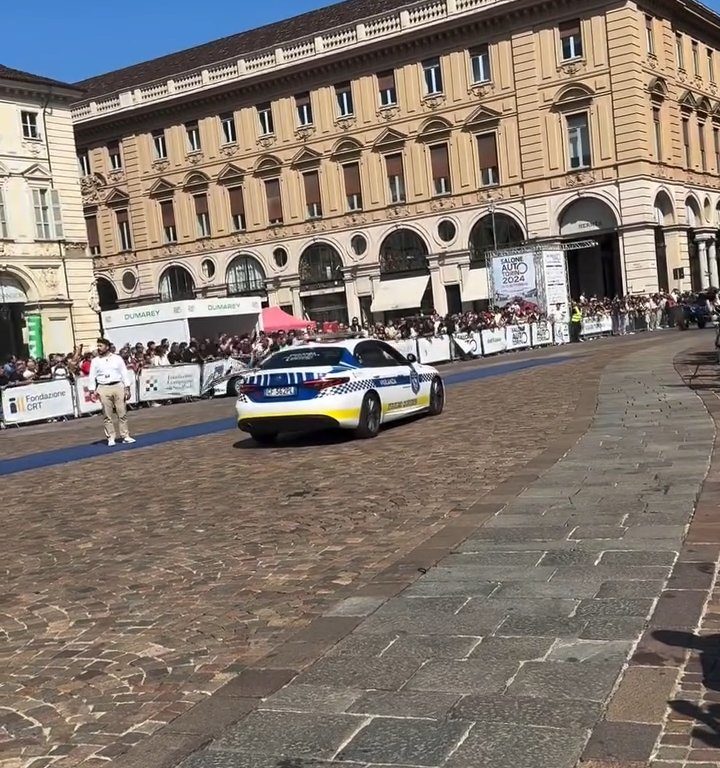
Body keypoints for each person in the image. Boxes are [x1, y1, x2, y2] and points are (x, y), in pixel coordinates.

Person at [87, 337, 135, 447]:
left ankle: (125, 435)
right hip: (103, 387)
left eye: (101, 346)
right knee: (107, 414)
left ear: (107, 347)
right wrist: (92, 390)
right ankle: (110, 437)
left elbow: (124, 372)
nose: (99, 348)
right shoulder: (95, 361)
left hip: (117, 385)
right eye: (98, 346)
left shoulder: (117, 358)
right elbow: (92, 376)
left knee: (121, 412)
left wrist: (127, 387)